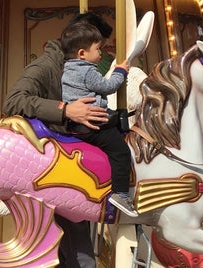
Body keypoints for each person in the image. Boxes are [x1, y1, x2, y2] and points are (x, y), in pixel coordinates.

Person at [2, 12, 113, 268]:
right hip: (56, 164)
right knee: (77, 241)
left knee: (75, 240)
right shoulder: (46, 66)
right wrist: (65, 109)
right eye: (99, 48)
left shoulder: (80, 67)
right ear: (82, 46)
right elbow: (13, 100)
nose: (102, 55)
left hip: (76, 158)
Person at [60, 22, 136, 217]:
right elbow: (109, 86)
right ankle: (120, 194)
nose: (101, 53)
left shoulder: (68, 69)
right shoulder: (87, 71)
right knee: (121, 151)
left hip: (75, 125)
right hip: (92, 126)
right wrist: (121, 71)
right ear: (82, 53)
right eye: (98, 48)